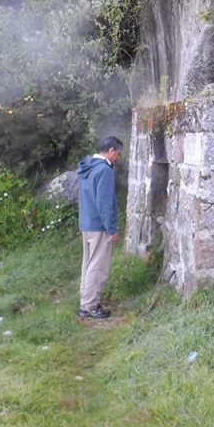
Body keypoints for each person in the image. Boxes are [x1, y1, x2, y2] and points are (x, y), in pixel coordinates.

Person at [76, 136, 123, 319]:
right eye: (118, 154)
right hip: (99, 226)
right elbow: (105, 204)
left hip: (87, 223)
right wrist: (111, 230)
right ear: (111, 151)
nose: (118, 158)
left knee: (88, 264)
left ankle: (85, 303)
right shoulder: (104, 170)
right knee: (98, 266)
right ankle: (90, 306)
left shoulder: (88, 166)